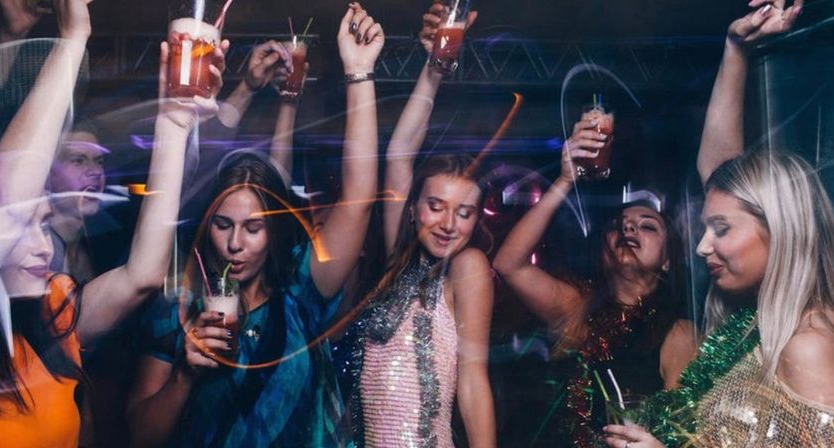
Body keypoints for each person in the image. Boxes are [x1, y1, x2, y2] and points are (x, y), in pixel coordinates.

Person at [126, 4, 384, 446]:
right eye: (223, 224)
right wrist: (184, 377)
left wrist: (359, 73)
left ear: (274, 233)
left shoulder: (301, 290)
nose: (234, 244)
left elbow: (359, 201)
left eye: (253, 228)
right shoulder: (178, 305)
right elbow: (138, 437)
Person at [0, 0, 224, 445]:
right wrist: (73, 36)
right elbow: (3, 200)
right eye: (22, 228)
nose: (42, 247)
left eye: (43, 223)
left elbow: (142, 275)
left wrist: (173, 122)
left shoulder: (51, 313)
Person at [603, 1, 834, 446]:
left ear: (781, 229)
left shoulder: (808, 343)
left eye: (721, 230)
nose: (701, 247)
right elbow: (720, 170)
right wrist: (735, 49)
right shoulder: (761, 320)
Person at [492, 124, 698, 445]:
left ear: (668, 260)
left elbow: (680, 433)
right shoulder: (577, 309)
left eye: (648, 226)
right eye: (619, 225)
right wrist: (564, 180)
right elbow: (509, 264)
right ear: (604, 255)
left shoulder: (679, 332)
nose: (629, 228)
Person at [349, 3, 496, 447]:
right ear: (413, 208)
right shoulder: (396, 261)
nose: (449, 223)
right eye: (436, 205)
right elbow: (398, 156)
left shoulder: (467, 267)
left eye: (465, 212)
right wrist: (434, 68)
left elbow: (473, 381)